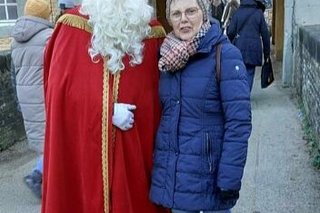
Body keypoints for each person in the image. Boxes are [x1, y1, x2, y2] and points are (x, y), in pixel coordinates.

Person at [41, 0, 168, 212]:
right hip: (85, 158)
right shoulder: (71, 28)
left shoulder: (153, 33)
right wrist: (105, 113)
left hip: (137, 156)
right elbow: (58, 96)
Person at [149, 0, 252, 212]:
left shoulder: (224, 55)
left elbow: (239, 123)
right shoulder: (166, 58)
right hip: (177, 184)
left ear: (204, 14)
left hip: (210, 182)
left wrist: (229, 180)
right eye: (176, 14)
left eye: (191, 11)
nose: (184, 19)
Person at [10, 0, 53, 199]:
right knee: (51, 140)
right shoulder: (48, 37)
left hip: (25, 95)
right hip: (44, 96)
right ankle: (36, 176)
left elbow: (12, 73)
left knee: (41, 138)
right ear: (45, 15)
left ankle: (42, 176)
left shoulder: (15, 40)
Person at [227, 0, 270, 91]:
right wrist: (267, 53)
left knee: (239, 72)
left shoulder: (238, 13)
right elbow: (265, 35)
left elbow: (230, 32)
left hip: (239, 47)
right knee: (250, 72)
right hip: (254, 48)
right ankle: (246, 94)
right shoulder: (258, 13)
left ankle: (241, 94)